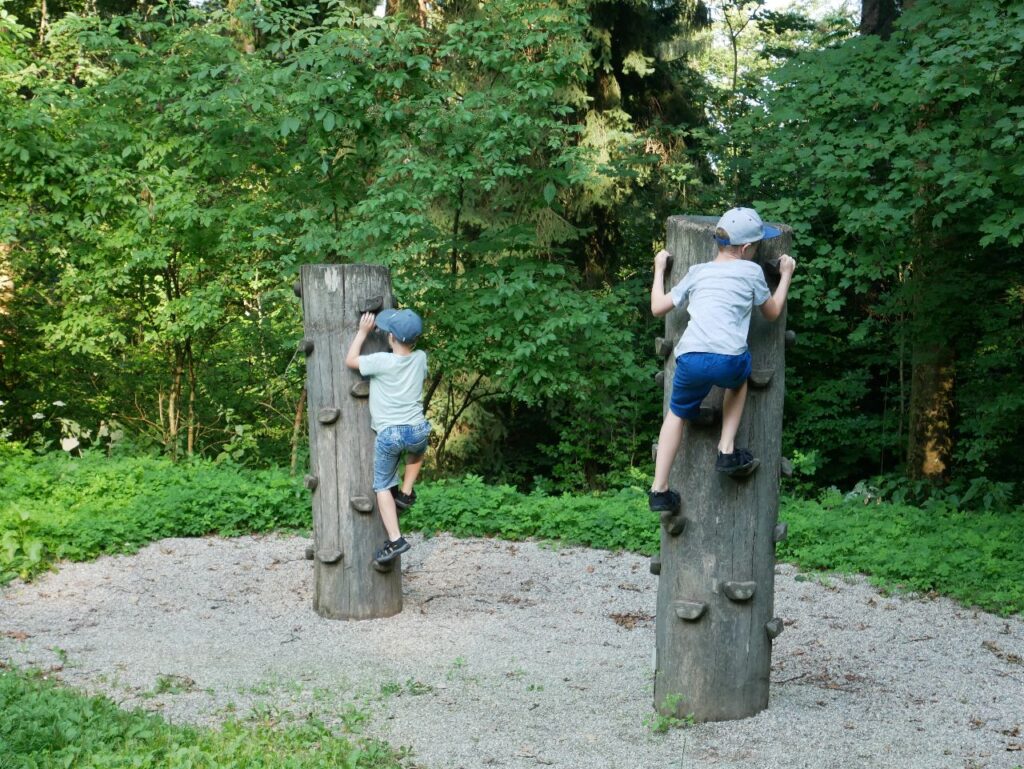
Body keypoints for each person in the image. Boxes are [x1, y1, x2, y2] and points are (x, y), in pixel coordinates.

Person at [648, 207, 796, 513]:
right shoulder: (753, 272)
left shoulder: (697, 272)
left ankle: (659, 489)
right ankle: (726, 449)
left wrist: (659, 268)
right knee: (739, 379)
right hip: (729, 360)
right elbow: (771, 312)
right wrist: (785, 276)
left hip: (690, 357)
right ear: (745, 249)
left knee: (675, 414)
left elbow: (658, 307)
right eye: (755, 246)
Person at [344, 308, 431, 565]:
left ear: (391, 337)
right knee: (418, 448)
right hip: (417, 428)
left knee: (382, 485)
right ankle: (405, 492)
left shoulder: (381, 361)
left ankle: (395, 540)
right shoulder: (421, 358)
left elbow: (351, 360)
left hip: (390, 433)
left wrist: (362, 333)